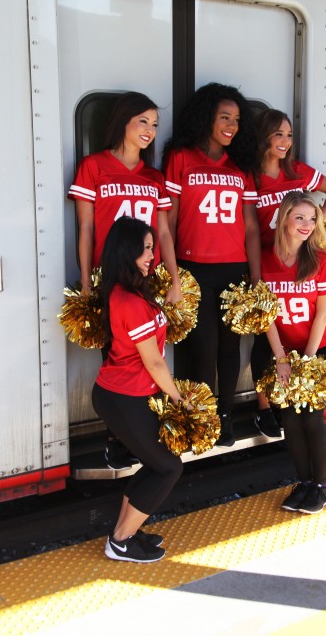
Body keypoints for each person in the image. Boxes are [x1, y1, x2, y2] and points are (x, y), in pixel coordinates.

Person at [68, 92, 182, 469]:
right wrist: (86, 279)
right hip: (111, 278)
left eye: (154, 124)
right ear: (123, 123)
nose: (149, 130)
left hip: (148, 276)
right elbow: (85, 227)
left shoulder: (154, 176)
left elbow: (164, 234)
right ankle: (116, 437)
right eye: (142, 122)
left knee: (150, 354)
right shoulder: (93, 166)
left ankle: (140, 431)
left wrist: (175, 278)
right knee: (116, 356)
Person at [163, 83, 260, 447]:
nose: (231, 126)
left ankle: (226, 417)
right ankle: (199, 420)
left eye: (236, 120)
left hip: (234, 269)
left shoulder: (241, 165)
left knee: (229, 349)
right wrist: (169, 273)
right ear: (207, 117)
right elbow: (168, 221)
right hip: (193, 267)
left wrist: (256, 276)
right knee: (202, 347)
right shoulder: (181, 157)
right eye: (224, 117)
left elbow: (250, 226)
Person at [92, 216, 185, 562]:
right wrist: (179, 400)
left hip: (133, 394)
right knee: (168, 467)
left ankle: (126, 532)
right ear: (126, 250)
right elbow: (155, 362)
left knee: (155, 463)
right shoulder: (128, 300)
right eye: (145, 249)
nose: (151, 255)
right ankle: (120, 540)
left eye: (152, 248)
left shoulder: (134, 290)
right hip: (122, 397)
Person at [251, 109, 326, 438]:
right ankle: (264, 407)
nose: (285, 142)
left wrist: (314, 225)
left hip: (296, 259)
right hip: (269, 260)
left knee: (296, 319)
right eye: (278, 135)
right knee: (265, 330)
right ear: (264, 137)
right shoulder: (253, 178)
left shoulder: (299, 172)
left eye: (289, 135)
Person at [252, 191, 326, 514]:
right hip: (285, 349)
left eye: (313, 218)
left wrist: (307, 360)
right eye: (300, 218)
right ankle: (303, 482)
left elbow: (322, 315)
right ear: (284, 219)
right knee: (289, 417)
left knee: (311, 414)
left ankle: (321, 486)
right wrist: (280, 358)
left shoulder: (321, 260)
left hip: (324, 345)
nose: (307, 225)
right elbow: (265, 314)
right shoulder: (265, 258)